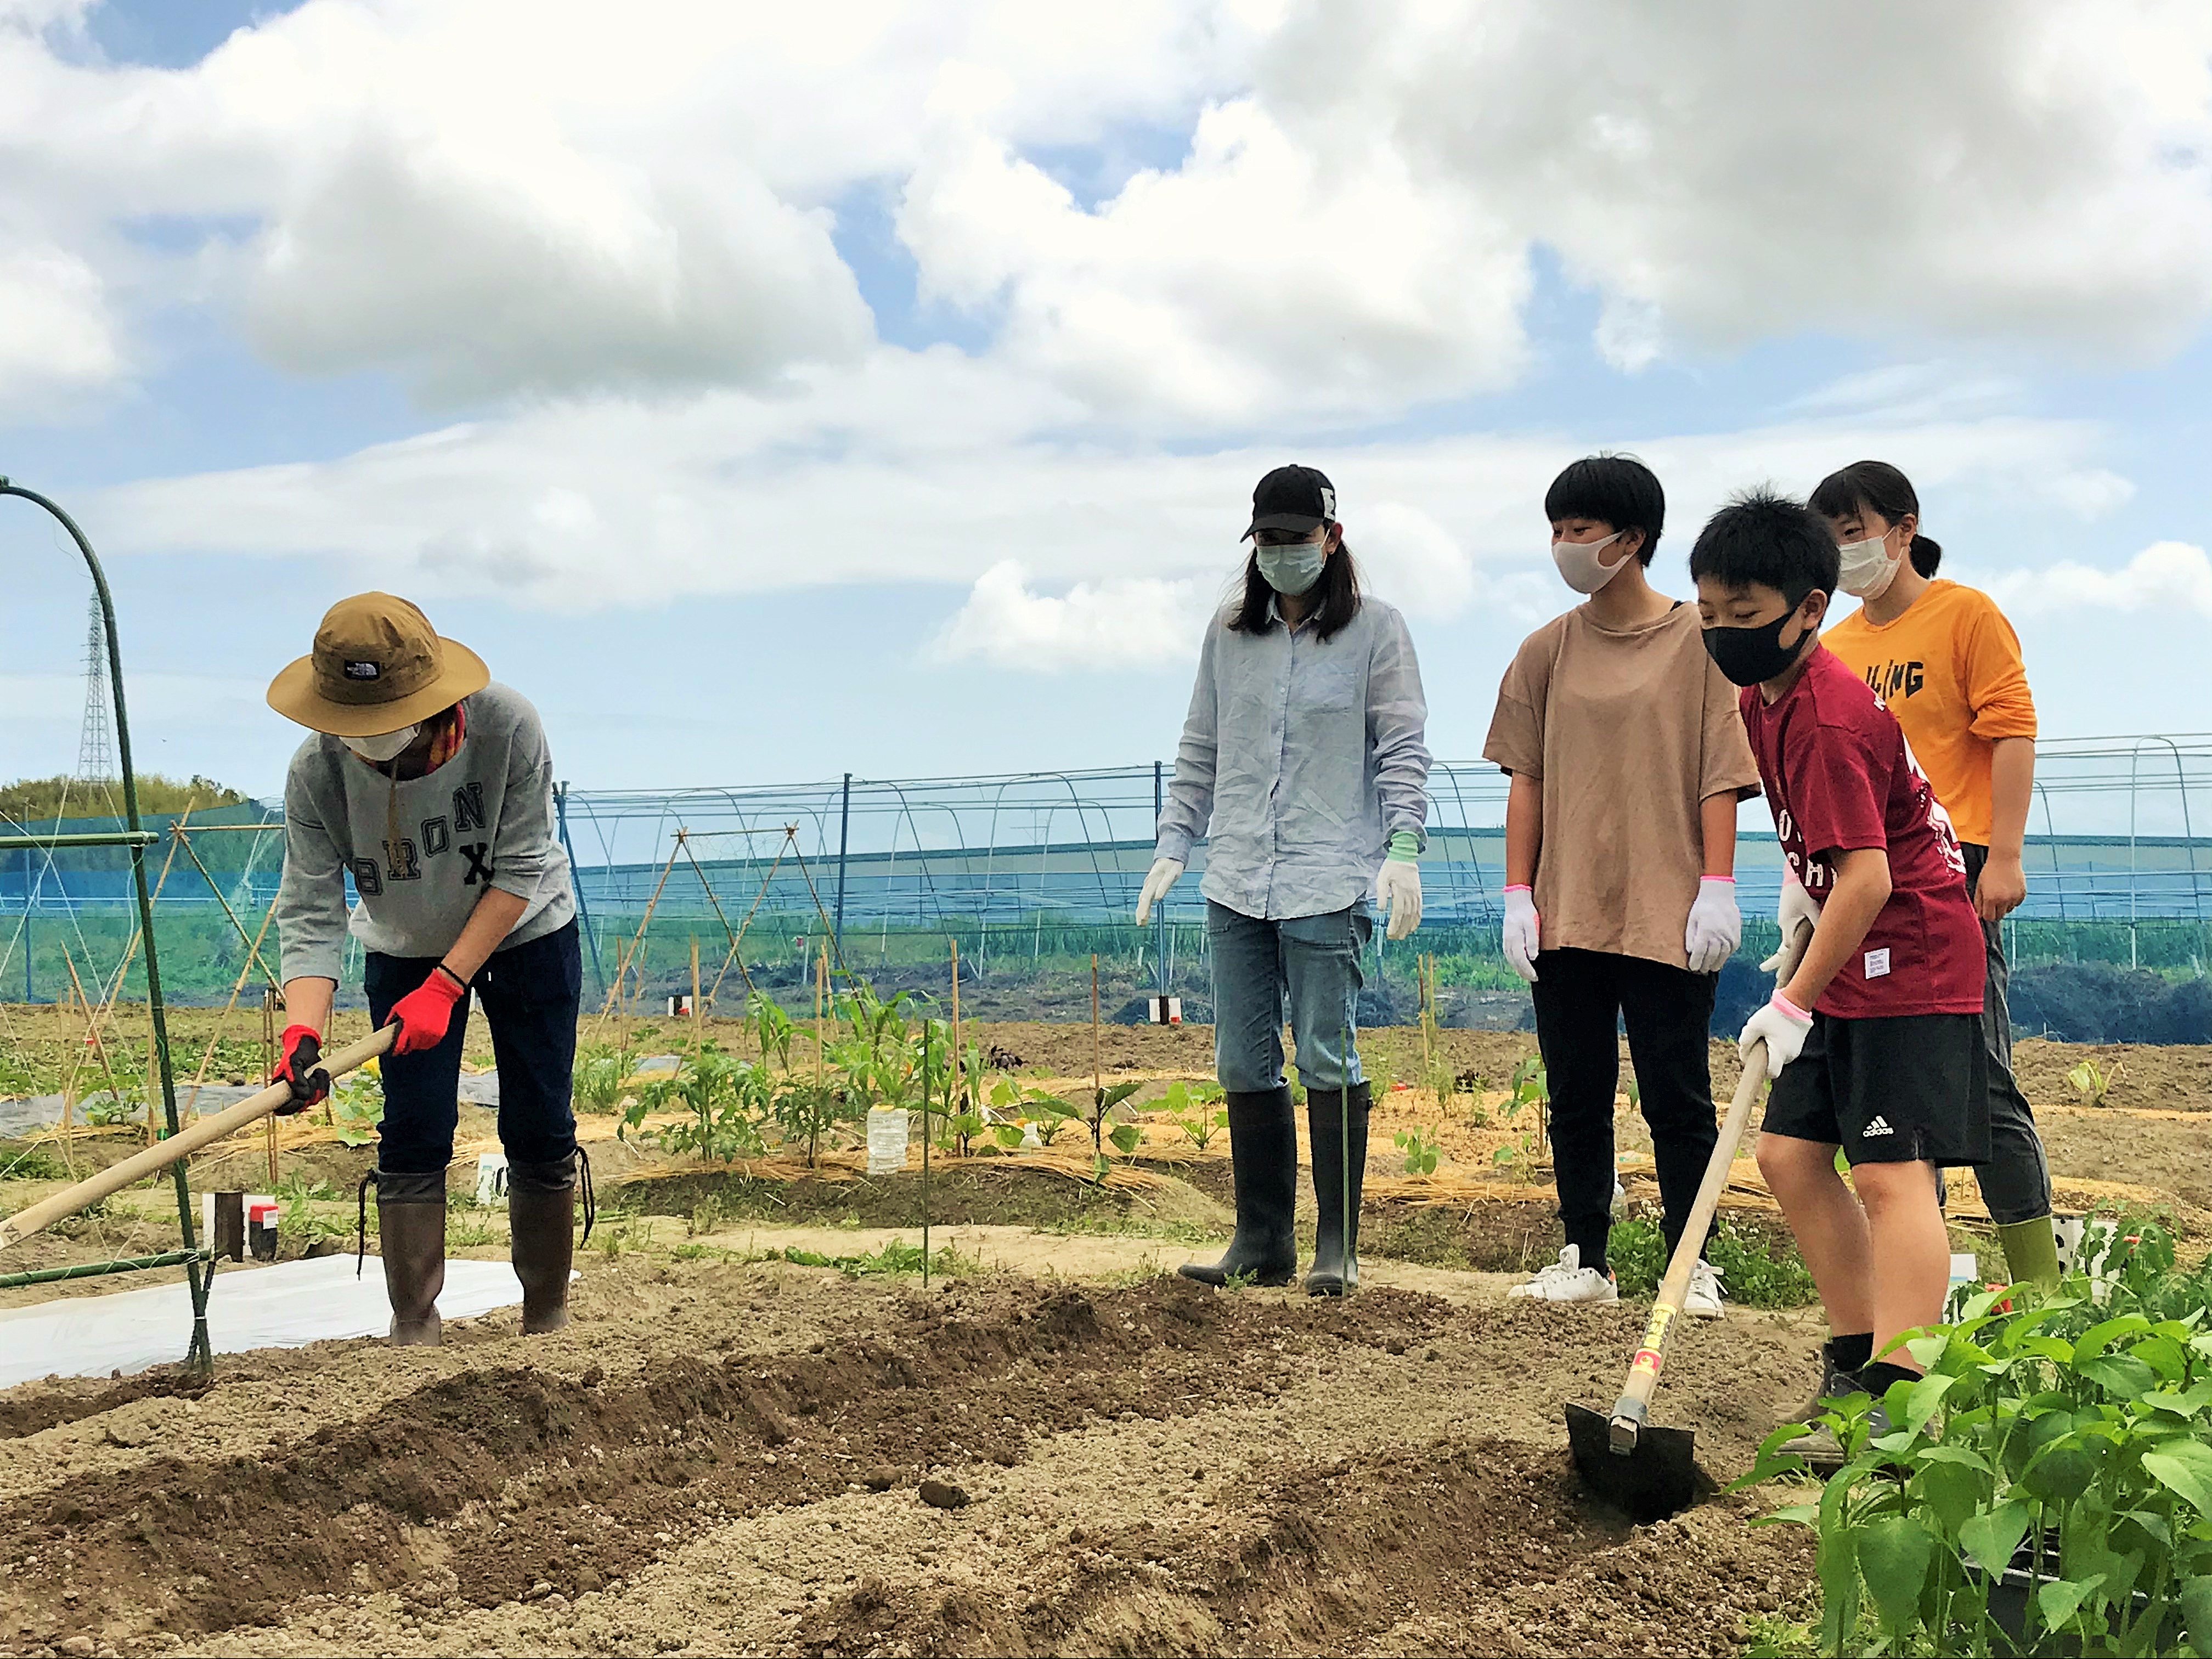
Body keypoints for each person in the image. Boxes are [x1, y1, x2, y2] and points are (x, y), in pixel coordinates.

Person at [1691, 489, 1988, 1418]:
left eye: (1746, 616)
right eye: (1709, 614)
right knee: (1787, 1156)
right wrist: (1799, 898)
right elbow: (1831, 853)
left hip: (1916, 955)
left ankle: (1902, 1394)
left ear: (1809, 610)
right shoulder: (1759, 695)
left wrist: (1791, 1003)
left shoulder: (1827, 714)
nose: (1725, 632)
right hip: (1848, 945)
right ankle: (1857, 1355)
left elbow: (1871, 881)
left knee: (1893, 1174)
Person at [1138, 464, 1431, 1297]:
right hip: (1235, 876)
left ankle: (1337, 1244)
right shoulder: (1230, 635)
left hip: (1327, 876)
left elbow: (1402, 747)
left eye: (1294, 539)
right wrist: (1174, 843)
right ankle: (1260, 1239)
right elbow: (1202, 744)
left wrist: (1402, 847)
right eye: (1265, 539)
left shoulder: (1378, 631)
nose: (1278, 553)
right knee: (1241, 1057)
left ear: (1330, 539)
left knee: (1327, 1053)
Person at [267, 593, 587, 1345]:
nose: (373, 748)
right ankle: (413, 1322)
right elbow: (311, 908)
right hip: (403, 944)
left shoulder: (508, 726)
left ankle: (546, 1314)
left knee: (539, 1118)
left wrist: (447, 986)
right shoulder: (317, 771)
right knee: (413, 1128)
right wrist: (301, 1036)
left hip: (526, 932)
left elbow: (517, 869)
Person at [1484, 455, 1762, 1316]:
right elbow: (1524, 778)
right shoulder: (1546, 651)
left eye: (1580, 531)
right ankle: (1585, 1255)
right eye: (1557, 531)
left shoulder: (1701, 645)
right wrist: (1517, 895)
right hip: (1568, 908)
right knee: (1575, 1091)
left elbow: (1721, 772)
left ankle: (1692, 1264)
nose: (1565, 546)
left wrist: (1717, 884)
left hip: (1668, 910)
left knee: (1677, 1095)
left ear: (1631, 539)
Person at [1811, 460, 2058, 1290]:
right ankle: (1932, 1286)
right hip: (1870, 878)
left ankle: (2039, 1287)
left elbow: (2013, 732)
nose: (1843, 553)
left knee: (1978, 1077)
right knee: (1898, 1090)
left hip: (1961, 867)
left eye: (1854, 533)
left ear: (1903, 528)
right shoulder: (1836, 648)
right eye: (1831, 540)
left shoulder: (1964, 615)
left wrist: (2009, 853)